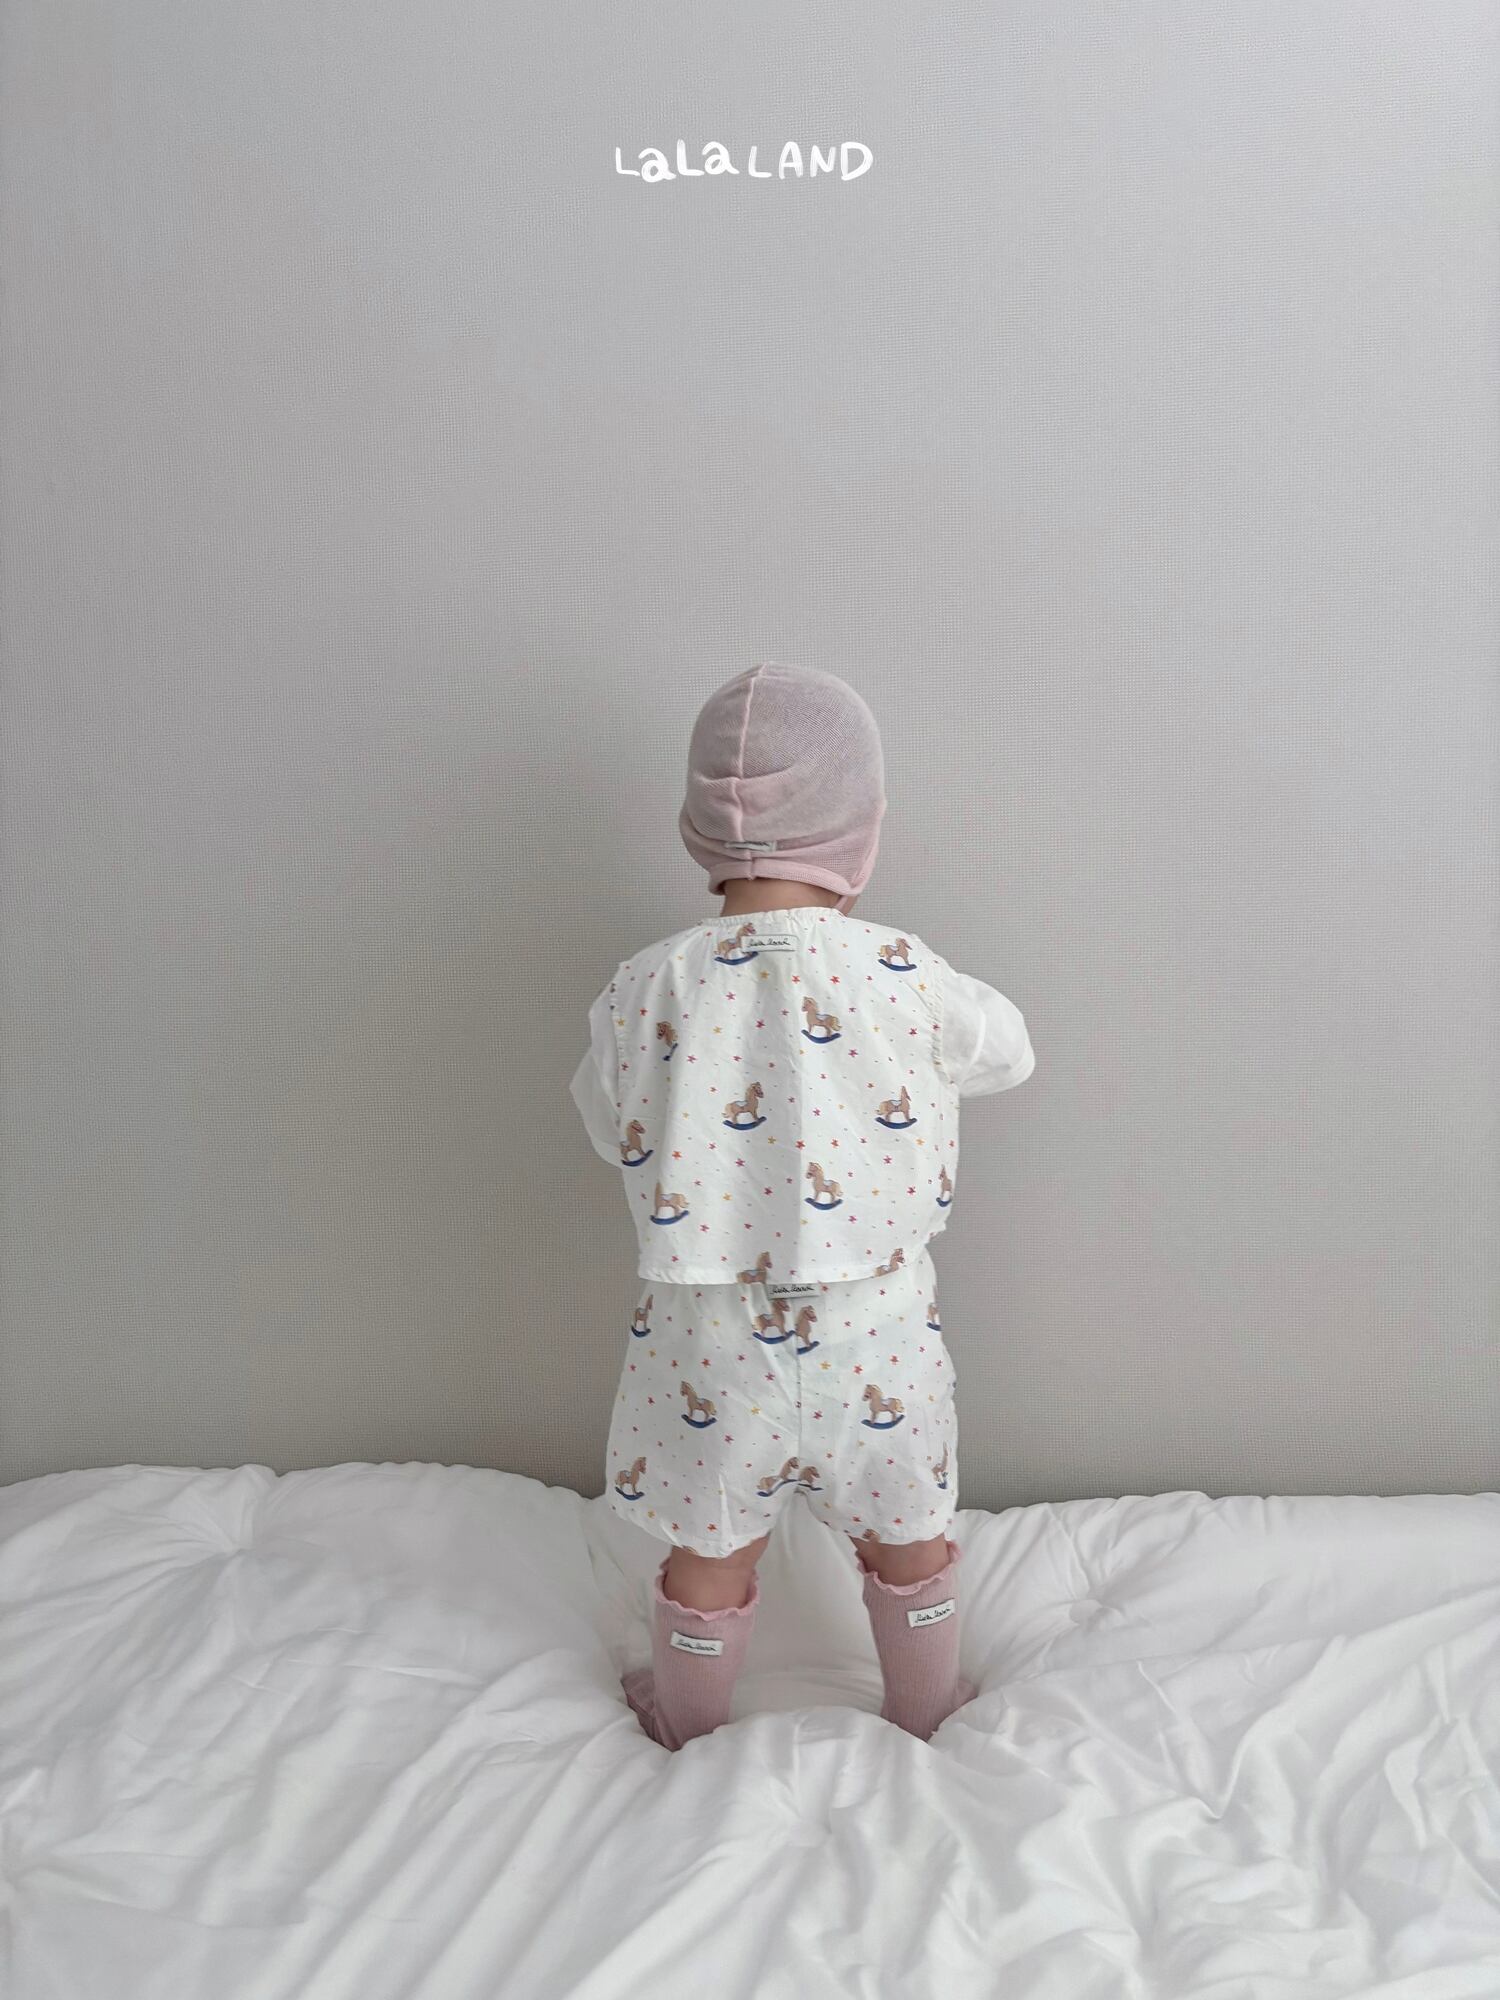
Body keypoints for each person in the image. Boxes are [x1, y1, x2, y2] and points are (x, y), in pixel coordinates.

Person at [570, 662, 1034, 1748]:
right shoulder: (904, 973)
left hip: (707, 1341)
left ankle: (688, 1727)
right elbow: (1010, 1053)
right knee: (909, 1534)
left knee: (709, 1547)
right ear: (862, 836)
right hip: (878, 1333)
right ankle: (926, 1708)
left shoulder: (643, 988)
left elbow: (605, 1122)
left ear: (698, 833)